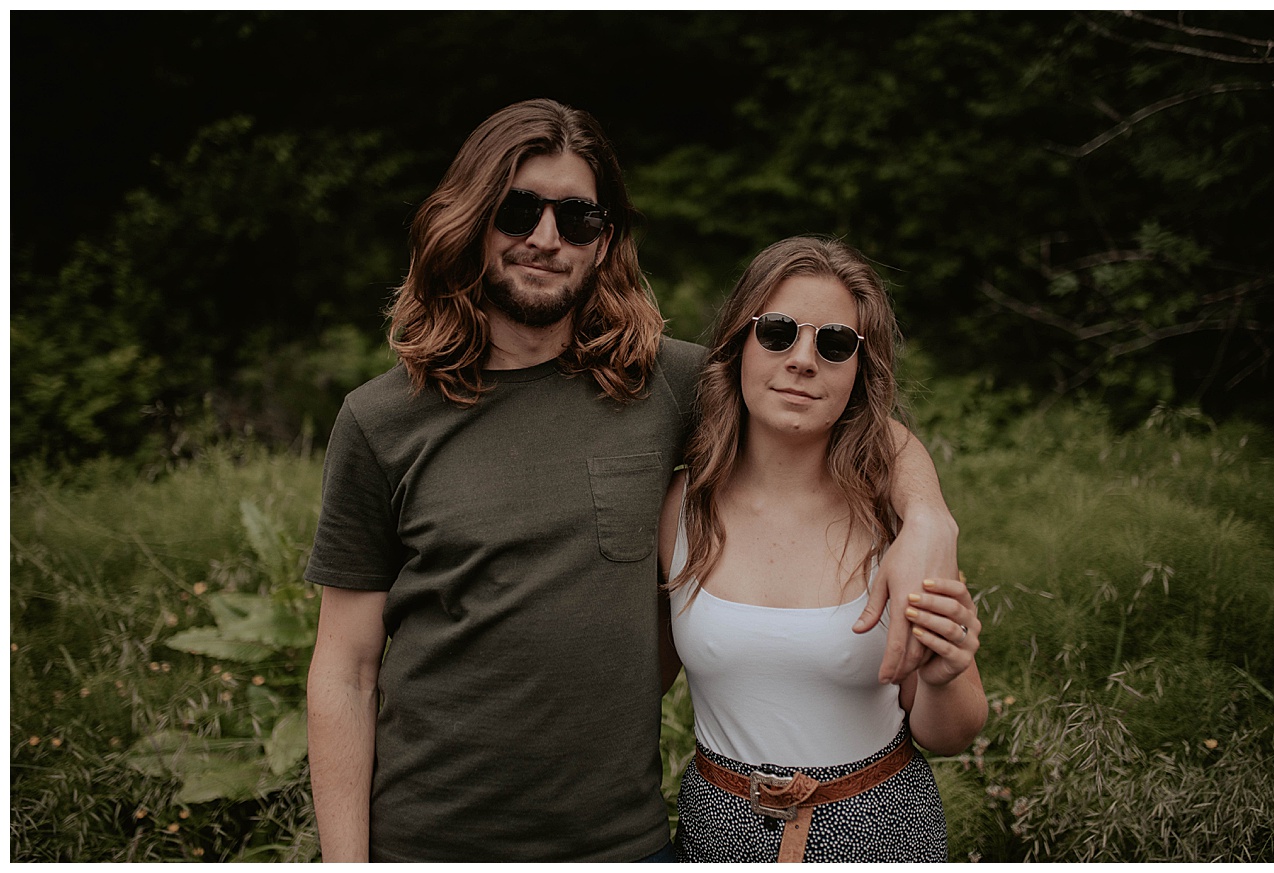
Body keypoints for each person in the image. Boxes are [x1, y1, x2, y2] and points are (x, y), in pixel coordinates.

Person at [304, 99, 959, 862]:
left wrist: (928, 520)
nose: (545, 238)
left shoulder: (661, 384)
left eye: (577, 218)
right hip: (430, 840)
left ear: (604, 240)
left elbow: (838, 409)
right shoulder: (381, 421)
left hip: (618, 842)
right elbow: (345, 670)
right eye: (518, 209)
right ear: (471, 217)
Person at [660, 236, 987, 863]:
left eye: (835, 343)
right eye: (777, 332)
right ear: (738, 343)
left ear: (860, 370)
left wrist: (945, 676)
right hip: (717, 833)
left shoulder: (897, 521)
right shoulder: (681, 507)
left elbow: (951, 733)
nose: (803, 360)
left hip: (881, 830)